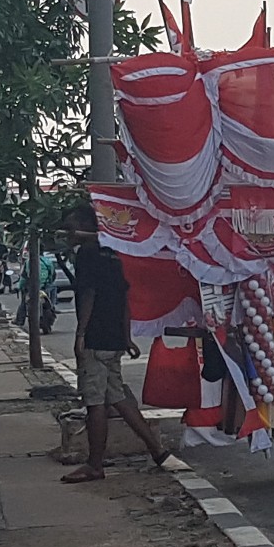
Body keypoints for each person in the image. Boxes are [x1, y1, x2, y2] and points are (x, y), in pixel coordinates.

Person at [58, 205, 168, 483]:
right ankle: (156, 448)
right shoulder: (115, 254)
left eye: (71, 228)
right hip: (114, 339)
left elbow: (88, 295)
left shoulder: (87, 255)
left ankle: (95, 464)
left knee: (95, 402)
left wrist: (80, 335)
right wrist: (126, 336)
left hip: (96, 338)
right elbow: (124, 298)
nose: (67, 234)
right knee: (117, 396)